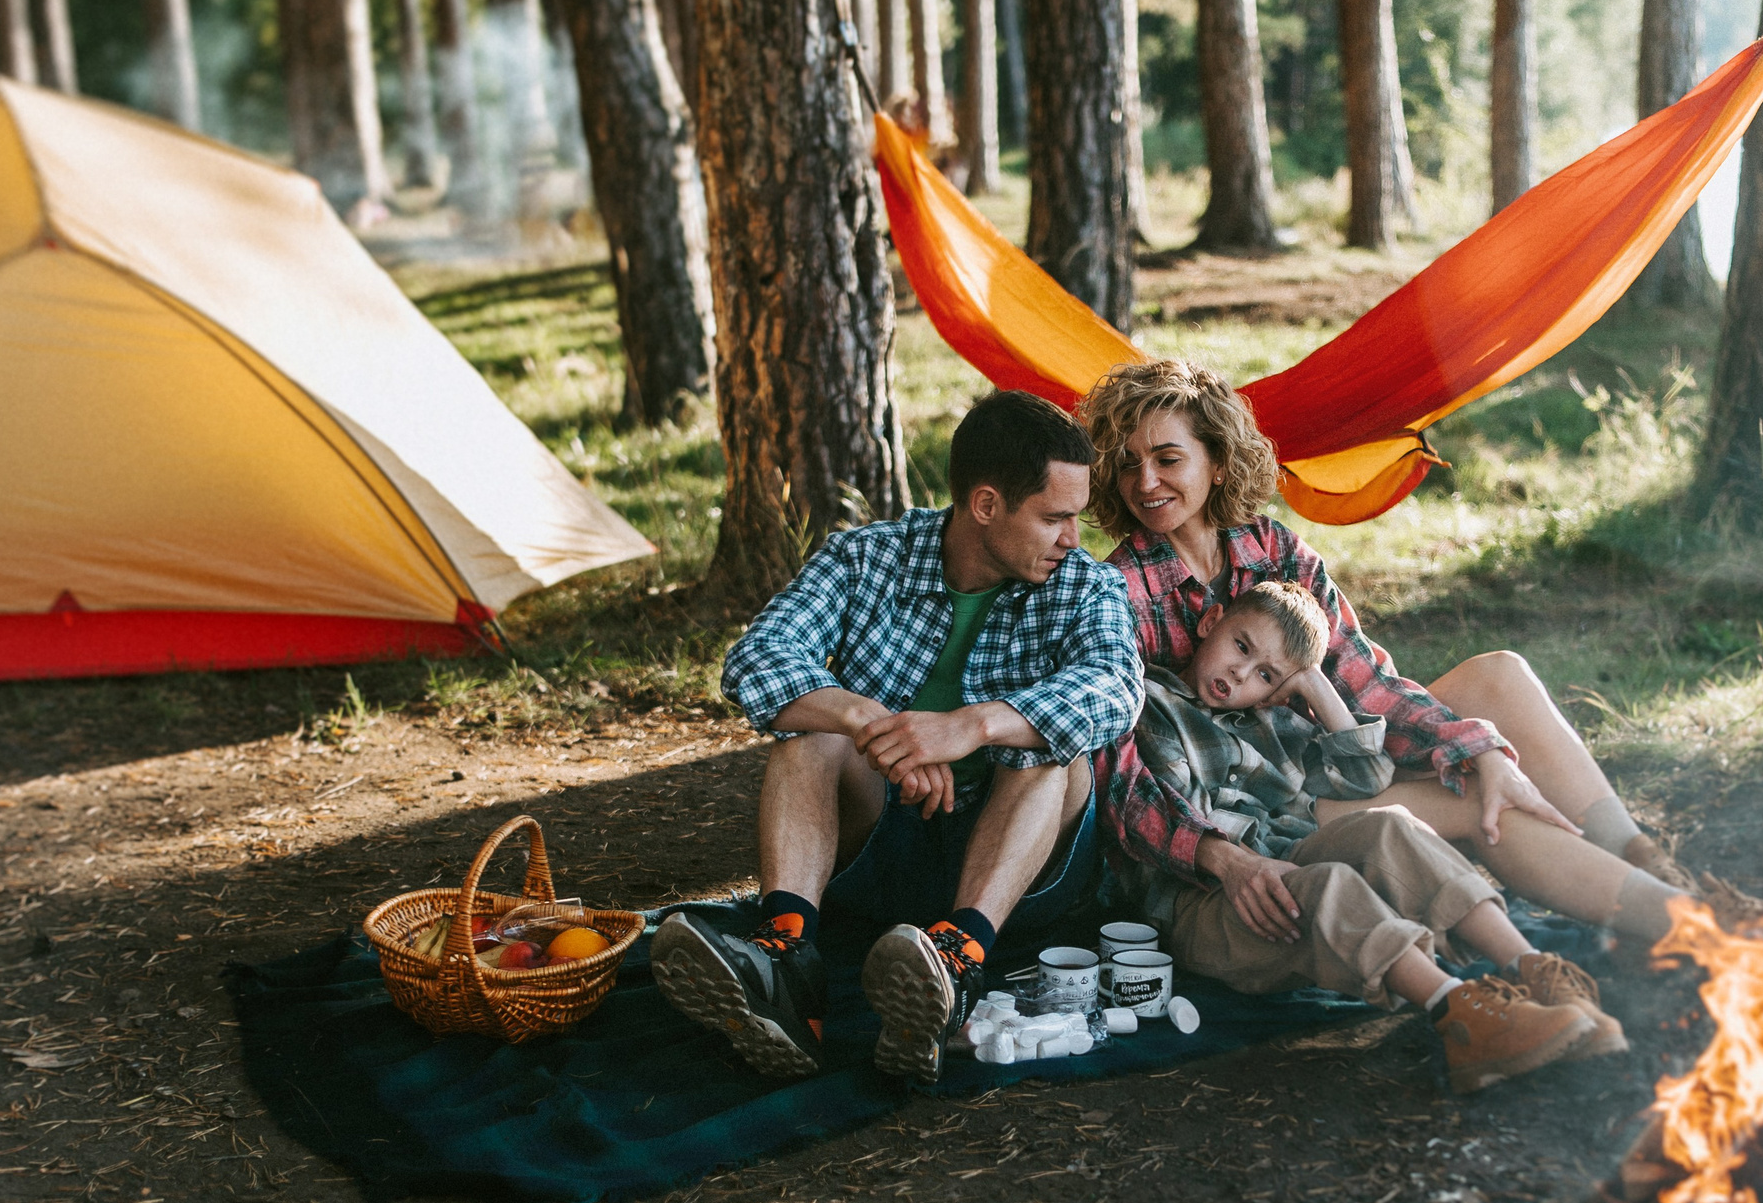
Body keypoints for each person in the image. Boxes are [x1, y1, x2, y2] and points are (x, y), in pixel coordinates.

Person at [1080, 359, 1693, 985]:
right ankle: (1690, 927)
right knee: (1482, 802)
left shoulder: (1277, 552)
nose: (1145, 481)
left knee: (1500, 679)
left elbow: (1366, 685)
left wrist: (1478, 749)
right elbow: (1124, 775)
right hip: (1271, 805)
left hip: (1334, 758)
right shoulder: (1117, 591)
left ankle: (1645, 860)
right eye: (1127, 464)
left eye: (1167, 458)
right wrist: (1223, 857)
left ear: (1216, 458)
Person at [654, 391, 1142, 1084]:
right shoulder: (865, 559)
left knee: (1048, 748)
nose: (1073, 537)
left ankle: (957, 962)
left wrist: (966, 728)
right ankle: (787, 958)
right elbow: (757, 659)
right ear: (985, 505)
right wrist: (875, 727)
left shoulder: (1085, 586)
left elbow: (1115, 688)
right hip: (887, 845)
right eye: (1055, 517)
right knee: (808, 731)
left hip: (1019, 867)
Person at [1124, 579, 1622, 1092]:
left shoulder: (1269, 722)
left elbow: (1368, 780)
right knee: (1323, 883)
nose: (1240, 672)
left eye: (1266, 674)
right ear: (1210, 623)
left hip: (1282, 859)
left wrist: (1315, 686)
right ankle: (1462, 1016)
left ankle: (1535, 972)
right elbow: (1169, 809)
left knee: (1390, 824)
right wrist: (1251, 861)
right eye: (1241, 647)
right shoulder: (1152, 703)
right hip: (1202, 898)